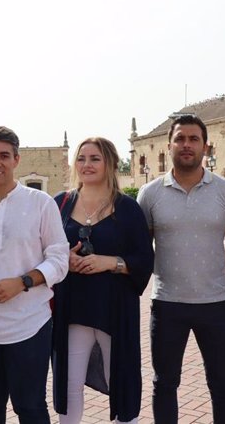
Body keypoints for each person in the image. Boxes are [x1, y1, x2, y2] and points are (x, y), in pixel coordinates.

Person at [137, 114, 225, 424]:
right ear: (169, 144)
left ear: (205, 146)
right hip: (167, 304)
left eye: (193, 139)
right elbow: (144, 247)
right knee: (164, 384)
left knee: (222, 385)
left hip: (214, 305)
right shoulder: (150, 194)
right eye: (180, 138)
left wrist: (214, 271)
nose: (187, 145)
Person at [0, 126, 69, 424]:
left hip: (29, 324)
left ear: (16, 160)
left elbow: (59, 259)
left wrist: (22, 282)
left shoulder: (40, 203)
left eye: (4, 156)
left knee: (30, 406)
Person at [52, 137, 154, 424]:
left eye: (95, 158)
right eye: (82, 158)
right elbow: (42, 250)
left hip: (114, 309)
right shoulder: (59, 203)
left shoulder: (128, 208)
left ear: (109, 163)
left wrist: (110, 262)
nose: (87, 164)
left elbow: (145, 259)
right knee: (69, 386)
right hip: (71, 308)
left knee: (121, 380)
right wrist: (65, 260)